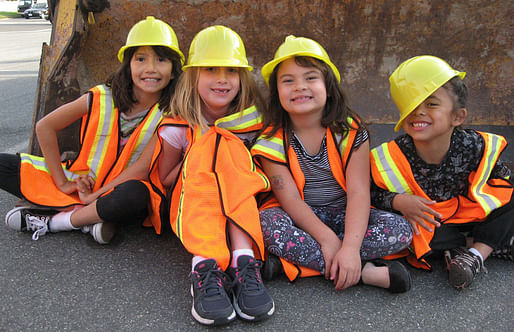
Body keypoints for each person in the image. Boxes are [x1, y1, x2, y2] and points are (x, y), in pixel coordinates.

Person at [1, 16, 184, 244]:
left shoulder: (173, 113)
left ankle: (58, 220)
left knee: (136, 194)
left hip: (118, 192)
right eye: (140, 59)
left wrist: (95, 196)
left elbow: (141, 169)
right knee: (3, 165)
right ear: (128, 65)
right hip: (81, 184)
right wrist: (63, 183)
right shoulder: (101, 97)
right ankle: (92, 222)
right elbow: (45, 126)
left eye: (161, 60)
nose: (151, 68)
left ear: (174, 70)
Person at [251, 36, 413, 293]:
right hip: (301, 218)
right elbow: (290, 200)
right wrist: (327, 240)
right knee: (265, 224)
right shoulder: (271, 140)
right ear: (276, 91)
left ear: (328, 85)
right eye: (288, 80)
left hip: (345, 213)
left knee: (401, 230)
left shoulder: (350, 131)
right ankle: (365, 273)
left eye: (310, 77)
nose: (299, 87)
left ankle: (296, 266)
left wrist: (349, 246)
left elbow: (359, 192)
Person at [161, 25, 274, 326]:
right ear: (193, 76)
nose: (222, 79)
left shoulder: (252, 121)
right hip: (191, 205)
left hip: (239, 204)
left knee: (225, 147)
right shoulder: (178, 125)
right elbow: (165, 180)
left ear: (242, 78)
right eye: (211, 69)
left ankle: (243, 262)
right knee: (212, 146)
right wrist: (201, 157)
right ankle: (205, 265)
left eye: (232, 71)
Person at [370, 55, 513, 289]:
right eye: (412, 106)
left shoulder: (474, 146)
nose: (419, 112)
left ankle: (474, 255)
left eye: (431, 104)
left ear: (457, 117)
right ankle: (485, 245)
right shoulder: (393, 154)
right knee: (401, 231)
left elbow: (503, 183)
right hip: (431, 225)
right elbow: (369, 193)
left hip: (470, 217)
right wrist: (399, 201)